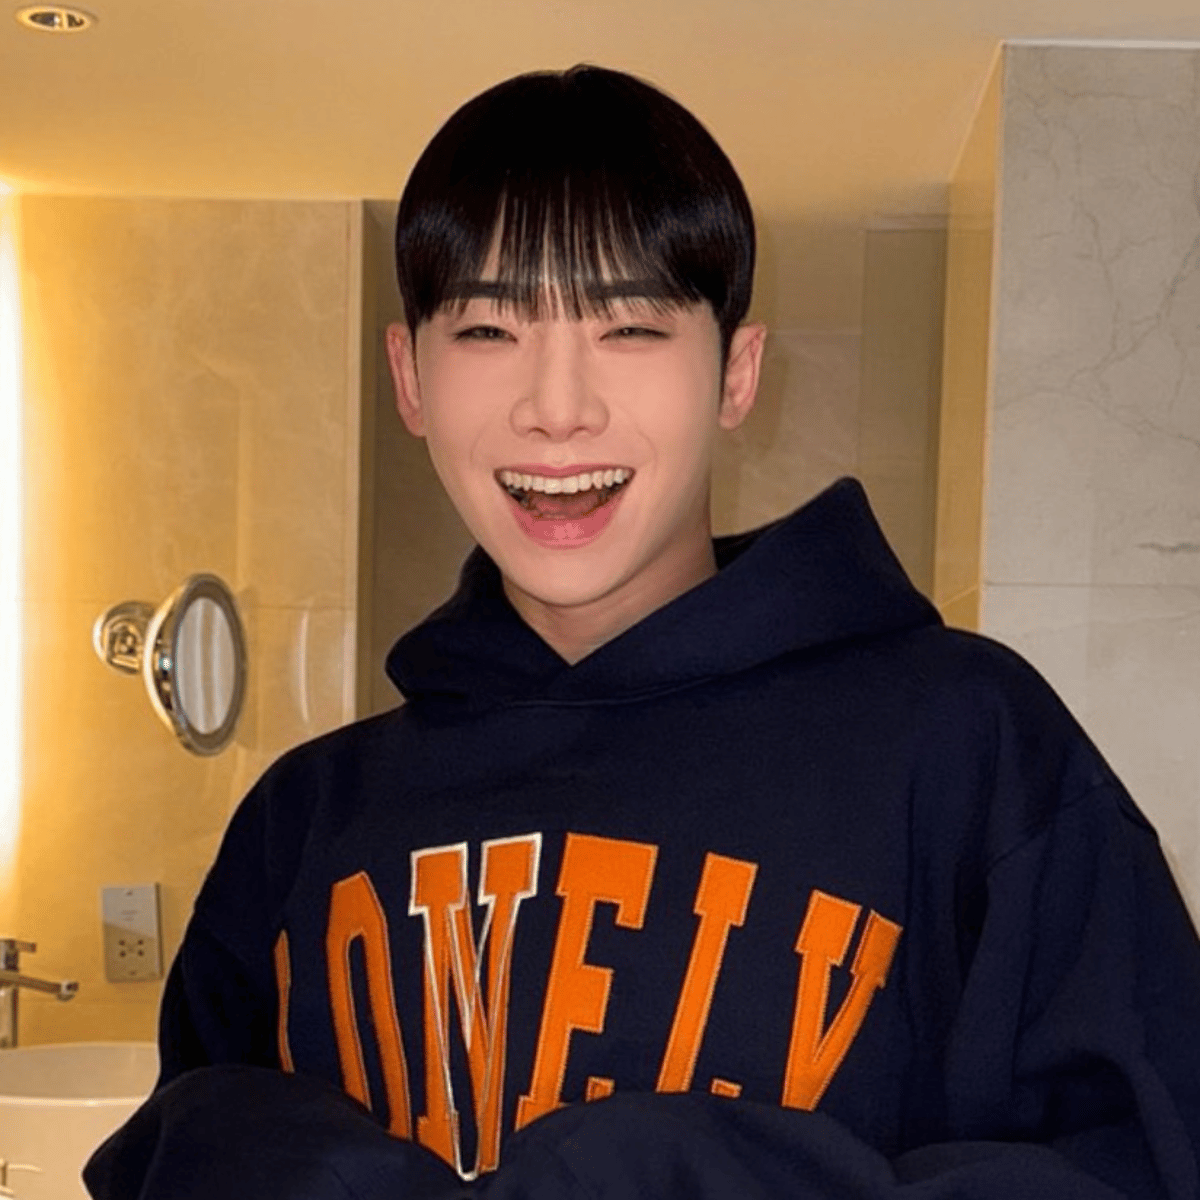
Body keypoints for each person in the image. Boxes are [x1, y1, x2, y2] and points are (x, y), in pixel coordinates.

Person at [86, 65, 1200, 1200]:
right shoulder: (301, 822)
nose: (557, 409)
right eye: (487, 327)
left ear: (736, 375)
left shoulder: (970, 745)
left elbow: (1148, 1159)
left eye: (629, 326)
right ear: (410, 376)